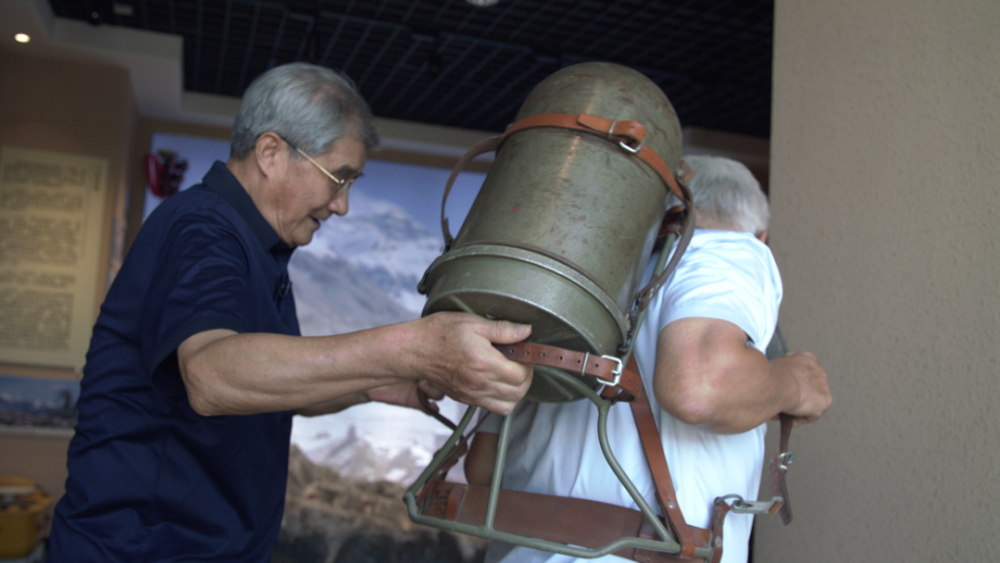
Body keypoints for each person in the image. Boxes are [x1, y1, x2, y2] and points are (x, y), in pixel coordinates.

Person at [49, 63, 534, 562]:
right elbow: (212, 375)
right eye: (338, 178)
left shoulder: (261, 250)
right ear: (271, 153)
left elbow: (267, 387)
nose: (342, 205)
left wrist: (378, 382)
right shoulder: (202, 229)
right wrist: (412, 347)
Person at [464, 155, 832, 563]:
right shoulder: (731, 249)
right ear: (760, 235)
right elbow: (699, 391)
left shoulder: (576, 290)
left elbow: (481, 470)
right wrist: (792, 384)